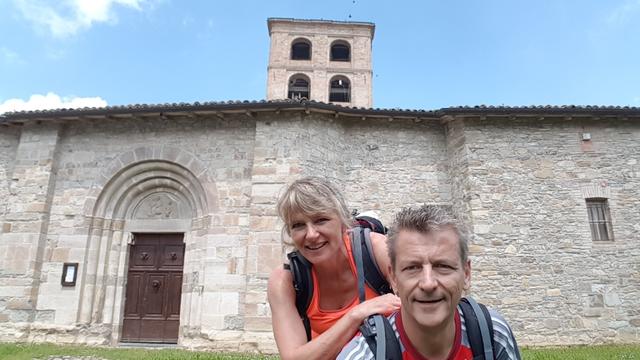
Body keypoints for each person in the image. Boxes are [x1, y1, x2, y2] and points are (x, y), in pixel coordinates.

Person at [338, 205, 521, 360]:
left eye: (442, 266)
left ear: (466, 274)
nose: (428, 283)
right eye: (412, 268)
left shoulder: (492, 334)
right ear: (393, 278)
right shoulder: (364, 355)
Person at [268, 176, 401, 360]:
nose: (311, 234)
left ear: (342, 222)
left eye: (321, 220)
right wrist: (355, 316)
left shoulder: (379, 251)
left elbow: (422, 315)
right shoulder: (285, 281)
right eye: (298, 225)